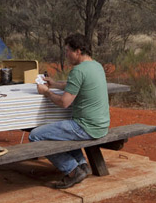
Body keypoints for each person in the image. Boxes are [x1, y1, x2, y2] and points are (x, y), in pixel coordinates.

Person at [29, 33, 110, 189]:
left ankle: (72, 170)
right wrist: (55, 84)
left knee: (36, 135)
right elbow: (76, 85)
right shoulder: (96, 66)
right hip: (101, 125)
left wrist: (46, 92)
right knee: (56, 131)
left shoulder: (78, 71)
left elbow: (64, 102)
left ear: (78, 51)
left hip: (85, 127)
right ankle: (82, 165)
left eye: (68, 51)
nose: (66, 55)